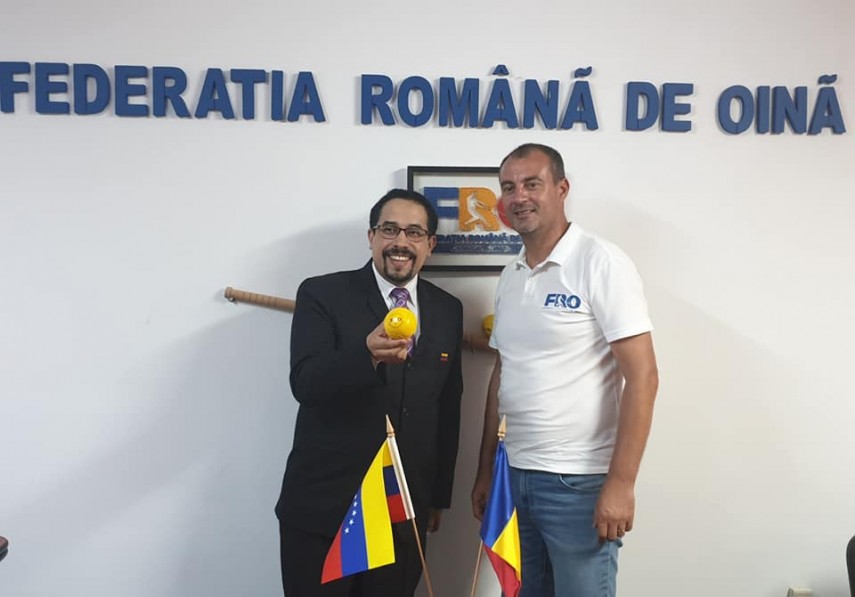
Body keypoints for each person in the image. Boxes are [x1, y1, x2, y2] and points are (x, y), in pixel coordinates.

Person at [471, 144, 659, 597]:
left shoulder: (601, 262)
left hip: (578, 483)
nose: (519, 196)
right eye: (509, 187)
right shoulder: (512, 275)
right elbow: (502, 375)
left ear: (561, 188)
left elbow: (644, 377)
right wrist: (486, 469)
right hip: (514, 475)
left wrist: (621, 484)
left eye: (532, 184)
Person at [276, 189, 464, 597]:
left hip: (402, 510)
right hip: (325, 510)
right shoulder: (322, 294)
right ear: (371, 237)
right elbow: (304, 382)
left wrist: (437, 497)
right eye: (389, 229)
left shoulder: (448, 309)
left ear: (430, 243)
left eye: (414, 232)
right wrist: (366, 355)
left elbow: (448, 407)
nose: (401, 242)